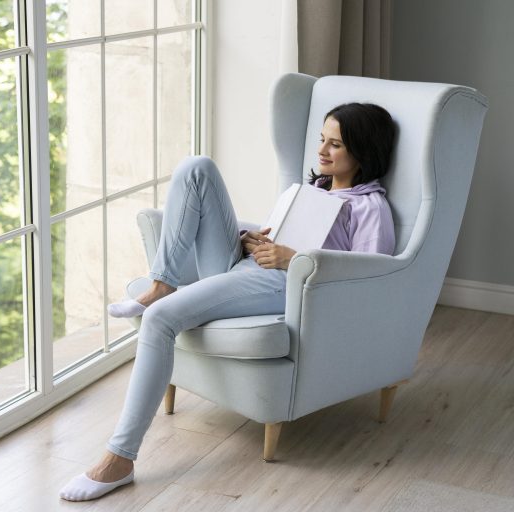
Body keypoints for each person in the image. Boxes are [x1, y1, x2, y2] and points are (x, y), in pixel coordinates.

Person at [59, 102, 397, 501]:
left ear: (363, 150)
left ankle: (120, 457)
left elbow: (373, 279)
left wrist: (292, 259)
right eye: (322, 139)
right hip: (248, 267)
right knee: (196, 167)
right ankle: (162, 281)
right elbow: (276, 239)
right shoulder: (311, 190)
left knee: (161, 320)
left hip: (279, 286)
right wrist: (252, 241)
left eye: (335, 144)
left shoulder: (370, 206)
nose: (322, 150)